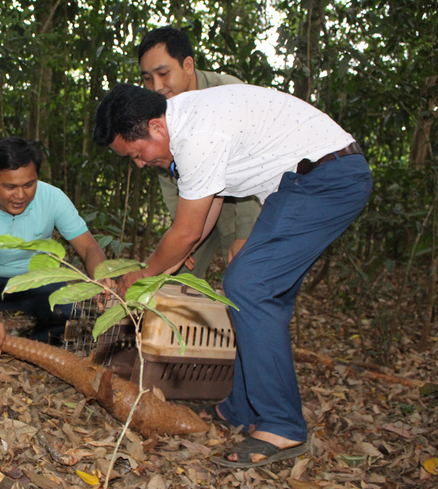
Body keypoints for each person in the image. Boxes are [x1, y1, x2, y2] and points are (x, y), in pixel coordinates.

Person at [93, 84, 372, 467]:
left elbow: (187, 229)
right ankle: (240, 407)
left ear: (156, 128)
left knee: (248, 286)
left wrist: (145, 273)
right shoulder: (186, 121)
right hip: (307, 182)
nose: (140, 164)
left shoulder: (196, 135)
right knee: (258, 294)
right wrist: (172, 260)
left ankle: (283, 425)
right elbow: (206, 209)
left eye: (137, 154)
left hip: (325, 180)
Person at [0, 137, 109, 356]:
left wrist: (101, 278)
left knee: (68, 311)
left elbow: (89, 247)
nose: (20, 195)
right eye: (10, 187)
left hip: (35, 278)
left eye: (29, 185)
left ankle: (32, 346)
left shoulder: (53, 198)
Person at [138, 26, 261, 277]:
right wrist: (183, 242)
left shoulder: (228, 92)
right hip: (196, 210)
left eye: (163, 73)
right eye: (147, 78)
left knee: (243, 275)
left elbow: (255, 164)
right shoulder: (159, 116)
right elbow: (170, 179)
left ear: (188, 65)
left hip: (243, 202)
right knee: (173, 275)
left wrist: (247, 233)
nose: (157, 86)